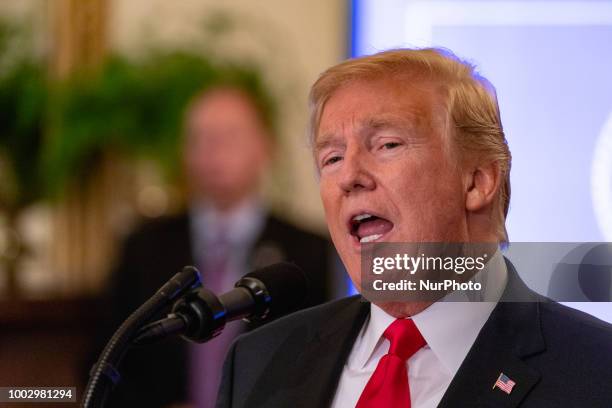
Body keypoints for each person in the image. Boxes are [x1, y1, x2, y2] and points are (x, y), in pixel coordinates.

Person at [216, 48, 612, 407]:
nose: (349, 176)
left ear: (477, 182)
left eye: (387, 144)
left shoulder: (596, 370)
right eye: (332, 158)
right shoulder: (259, 363)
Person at [100, 85, 339, 408]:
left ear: (264, 147)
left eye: (230, 136)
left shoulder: (310, 252)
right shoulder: (144, 247)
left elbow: (323, 364)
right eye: (201, 138)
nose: (214, 151)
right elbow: (106, 360)